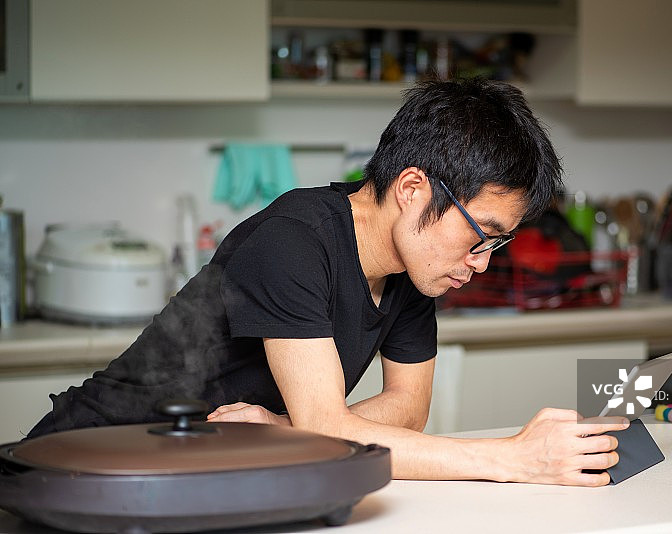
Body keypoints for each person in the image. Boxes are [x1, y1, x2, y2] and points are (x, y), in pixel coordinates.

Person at [27, 78, 627, 486]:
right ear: (414, 189)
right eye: (481, 232)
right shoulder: (294, 239)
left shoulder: (418, 268)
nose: (483, 261)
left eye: (498, 242)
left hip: (203, 473)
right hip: (91, 462)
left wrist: (281, 429)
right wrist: (515, 459)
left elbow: (406, 409)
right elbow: (330, 430)